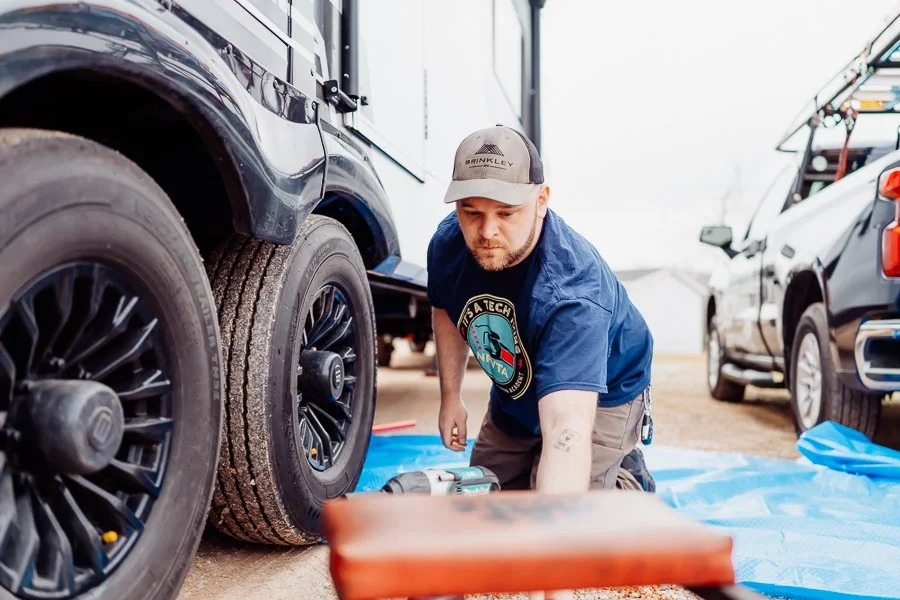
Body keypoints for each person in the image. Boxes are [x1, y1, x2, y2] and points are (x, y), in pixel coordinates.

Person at [426, 124, 657, 501]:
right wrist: (450, 396)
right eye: (471, 212)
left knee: (560, 506)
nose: (487, 231)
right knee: (481, 503)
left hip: (606, 391)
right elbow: (447, 308)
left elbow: (568, 426)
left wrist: (549, 541)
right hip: (519, 381)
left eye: (506, 213)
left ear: (542, 200)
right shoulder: (448, 243)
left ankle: (625, 478)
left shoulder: (574, 294)